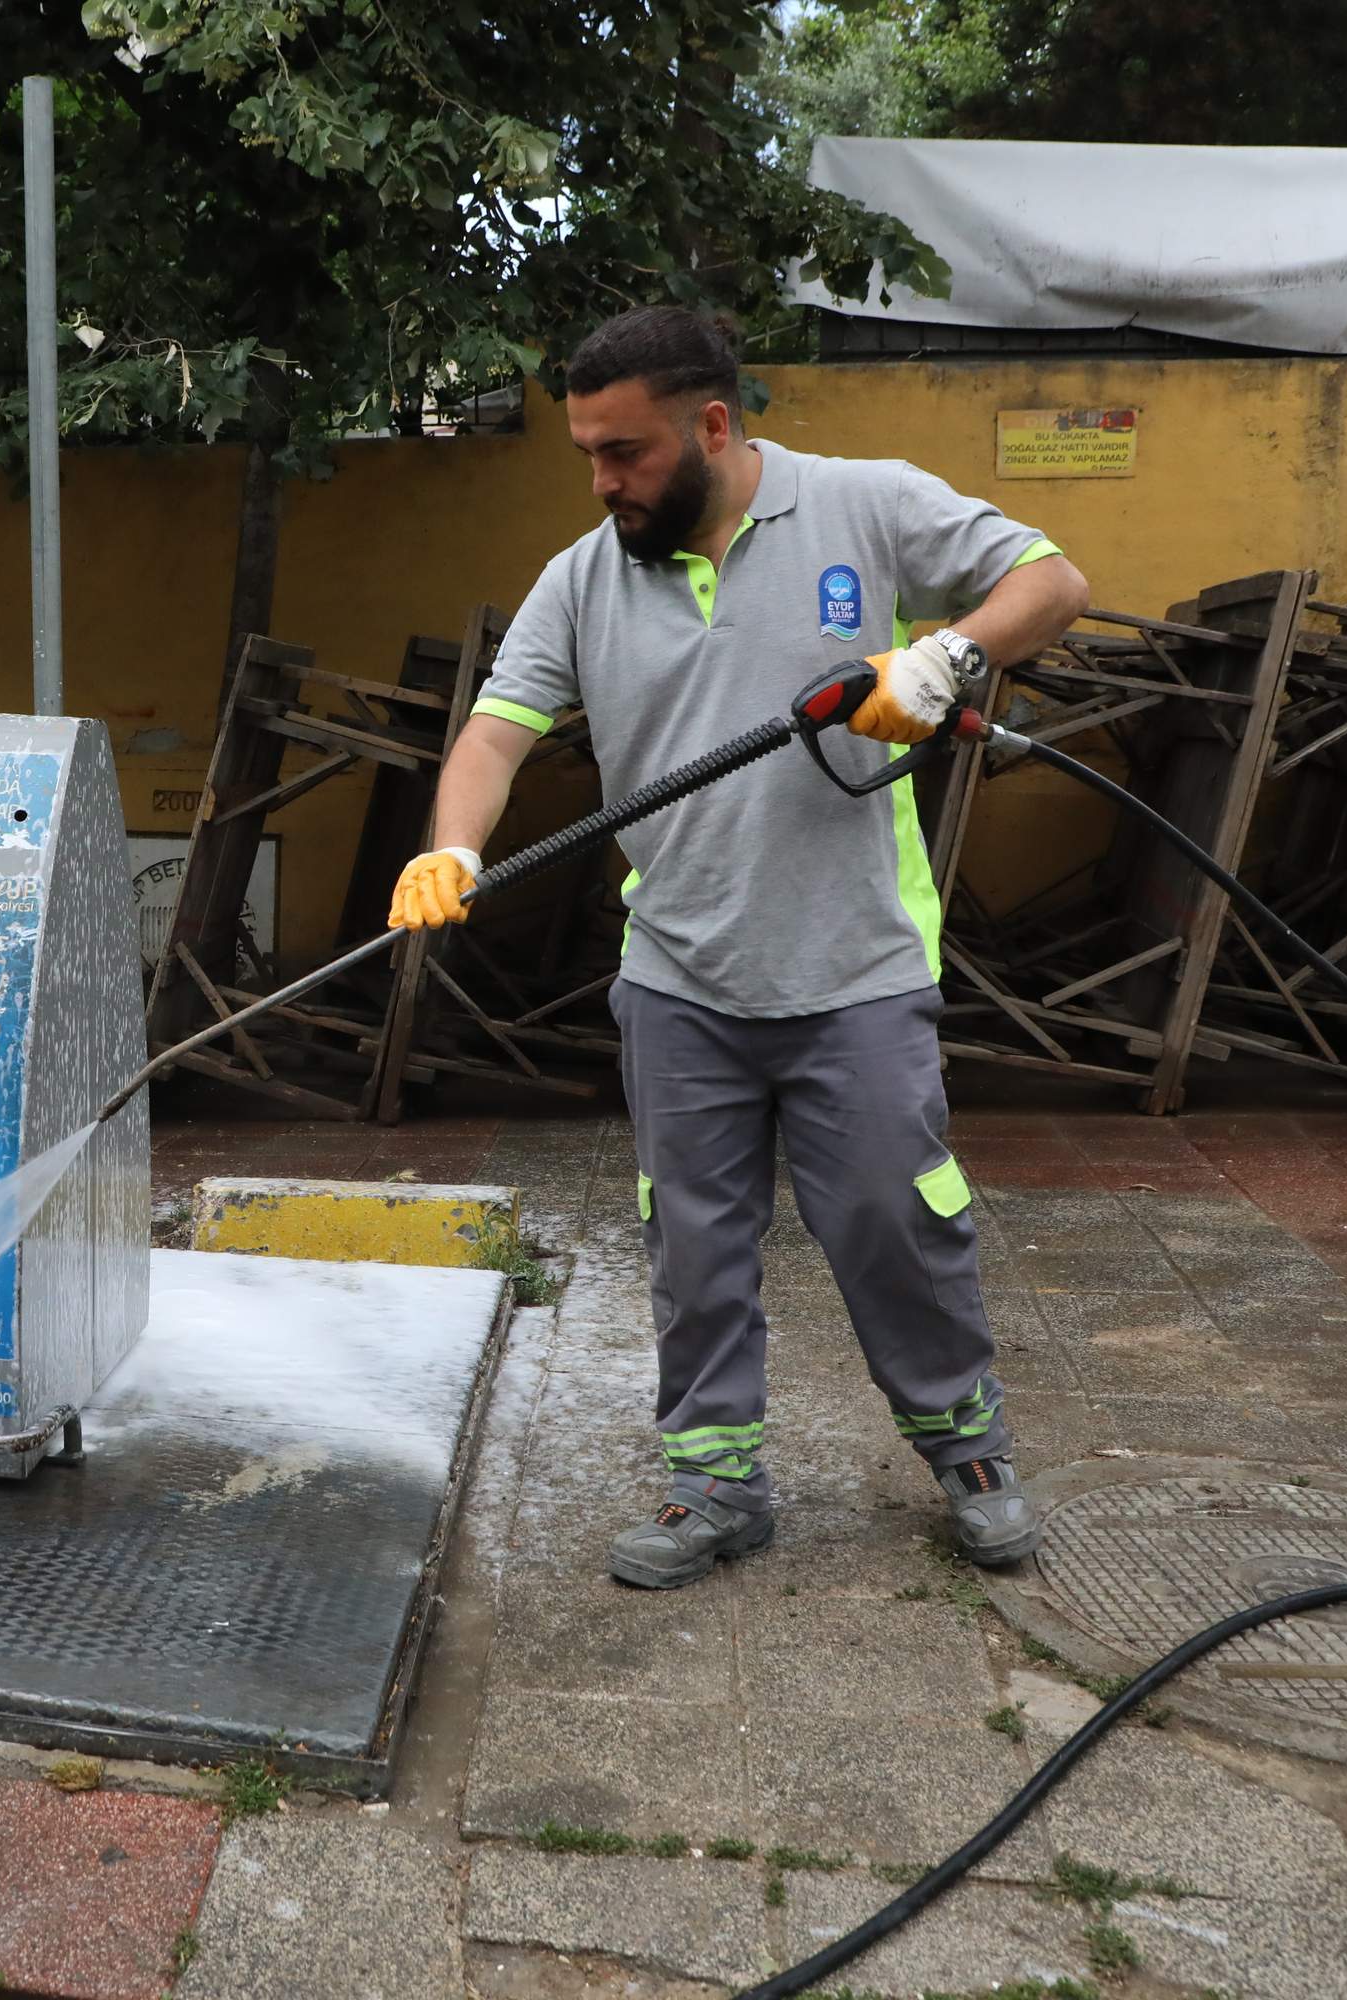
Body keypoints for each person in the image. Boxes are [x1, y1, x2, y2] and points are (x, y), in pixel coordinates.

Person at [392, 306, 1089, 1589]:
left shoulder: (864, 506)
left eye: (626, 452)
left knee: (894, 1214)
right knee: (694, 1241)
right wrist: (455, 847)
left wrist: (943, 657)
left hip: (857, 968)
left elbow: (1053, 580)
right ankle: (716, 1483)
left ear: (713, 424)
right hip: (679, 978)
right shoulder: (583, 576)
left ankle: (967, 1445)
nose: (603, 481)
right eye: (589, 456)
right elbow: (494, 734)